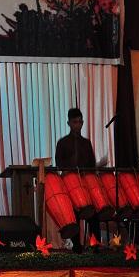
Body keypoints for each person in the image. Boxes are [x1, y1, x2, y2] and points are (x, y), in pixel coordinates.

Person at [55, 107, 99, 253]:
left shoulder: (86, 143)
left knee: (93, 214)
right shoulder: (62, 143)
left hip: (86, 184)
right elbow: (59, 164)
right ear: (69, 123)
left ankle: (95, 245)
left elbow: (92, 164)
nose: (78, 125)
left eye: (80, 122)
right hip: (70, 185)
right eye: (75, 122)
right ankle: (77, 247)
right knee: (74, 215)